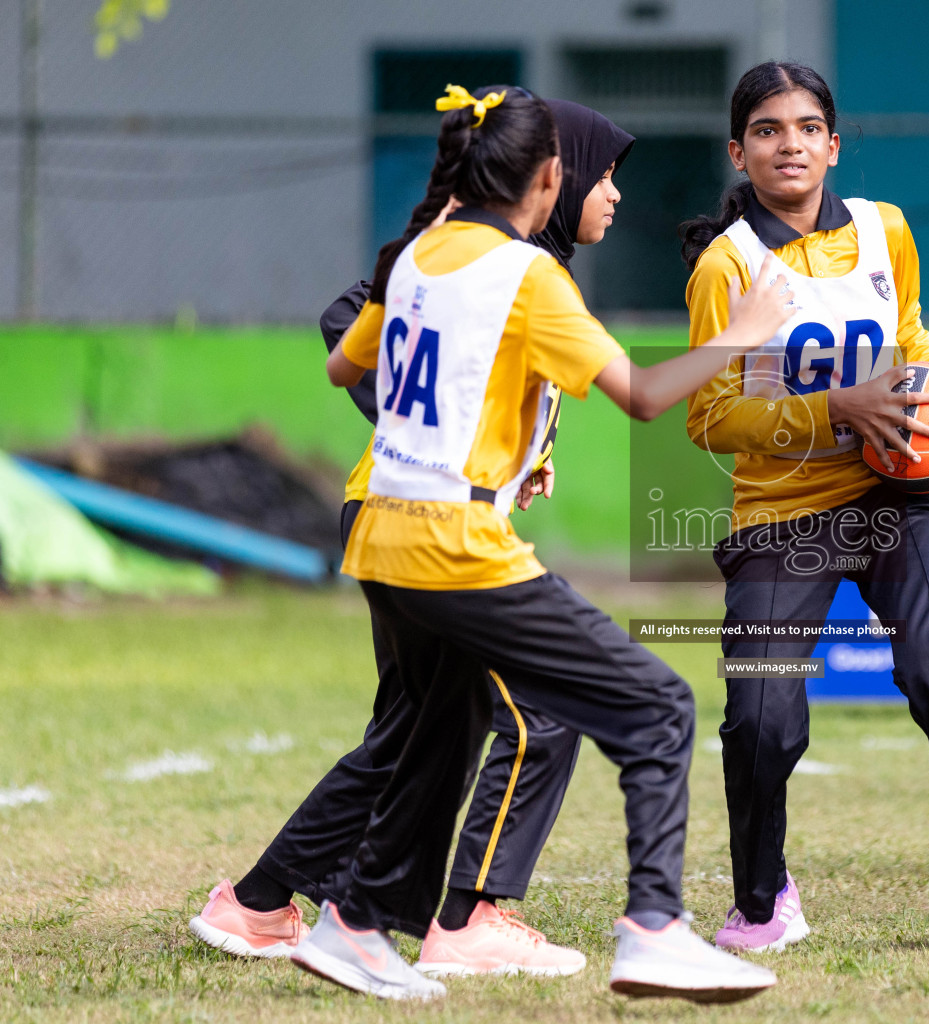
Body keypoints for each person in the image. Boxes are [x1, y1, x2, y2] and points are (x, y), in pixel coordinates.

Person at [244, 84, 792, 1003]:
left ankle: (354, 924)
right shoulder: (531, 275)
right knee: (657, 708)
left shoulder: (420, 253)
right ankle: (656, 927)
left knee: (436, 733)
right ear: (549, 176)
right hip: (453, 543)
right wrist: (743, 334)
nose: (608, 189)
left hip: (380, 532)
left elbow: (348, 364)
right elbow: (646, 397)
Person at [189, 99, 635, 981]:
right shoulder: (491, 252)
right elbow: (351, 320)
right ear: (560, 173)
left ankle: (259, 902)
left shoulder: (523, 259)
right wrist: (432, 437)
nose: (616, 194)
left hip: (406, 518)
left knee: (411, 733)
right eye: (607, 172)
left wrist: (519, 451)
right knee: (542, 709)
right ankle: (470, 915)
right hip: (425, 526)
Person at [680, 60, 929, 954]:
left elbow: (908, 333)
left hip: (893, 492)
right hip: (781, 515)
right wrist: (837, 408)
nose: (788, 144)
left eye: (804, 128)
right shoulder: (727, 266)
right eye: (766, 130)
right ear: (739, 152)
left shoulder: (885, 229)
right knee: (759, 714)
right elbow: (708, 416)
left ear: (833, 144)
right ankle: (762, 897)